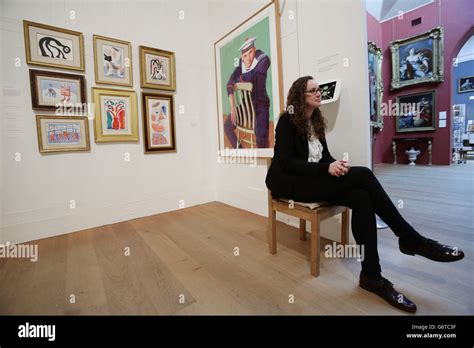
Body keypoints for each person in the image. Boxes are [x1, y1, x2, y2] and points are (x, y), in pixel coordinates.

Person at [265, 76, 465, 313]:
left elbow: (323, 157)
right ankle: (410, 238)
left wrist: (335, 165)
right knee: (365, 175)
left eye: (320, 89)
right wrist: (325, 168)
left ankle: (371, 276)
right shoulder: (287, 122)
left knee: (361, 197)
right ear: (299, 96)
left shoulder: (316, 122)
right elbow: (287, 163)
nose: (319, 93)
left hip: (313, 178)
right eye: (312, 91)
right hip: (291, 183)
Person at [224, 37, 270, 148]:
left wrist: (238, 79)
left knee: (261, 140)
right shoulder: (242, 64)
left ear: (254, 50)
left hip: (260, 107)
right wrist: (232, 106)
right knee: (227, 125)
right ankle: (241, 151)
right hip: (246, 107)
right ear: (242, 57)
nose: (248, 59)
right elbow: (230, 82)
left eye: (250, 53)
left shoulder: (264, 60)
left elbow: (254, 76)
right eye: (245, 56)